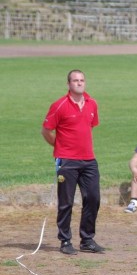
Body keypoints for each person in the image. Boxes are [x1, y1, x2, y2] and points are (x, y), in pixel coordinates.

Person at [41, 69, 105, 255]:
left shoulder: (92, 104)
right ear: (68, 84)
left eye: (82, 80)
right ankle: (65, 240)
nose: (79, 83)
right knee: (66, 202)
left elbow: (89, 126)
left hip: (89, 159)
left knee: (93, 198)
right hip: (67, 161)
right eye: (75, 80)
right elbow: (46, 130)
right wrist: (59, 146)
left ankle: (87, 239)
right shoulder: (59, 105)